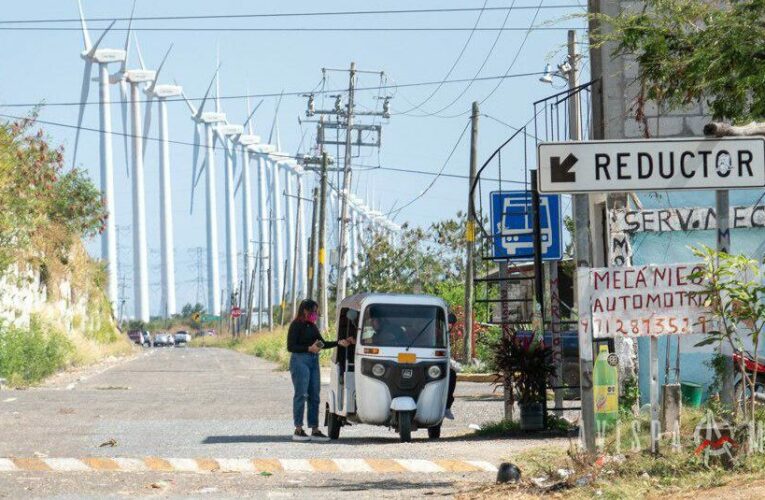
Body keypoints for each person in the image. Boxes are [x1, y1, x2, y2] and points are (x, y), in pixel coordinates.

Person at [287, 299, 354, 442]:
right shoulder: (296, 325)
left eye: (317, 312)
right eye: (314, 311)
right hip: (300, 360)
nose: (316, 314)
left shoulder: (312, 326)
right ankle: (298, 429)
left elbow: (322, 343)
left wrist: (339, 342)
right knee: (301, 394)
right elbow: (291, 346)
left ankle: (315, 429)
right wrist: (308, 348)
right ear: (305, 311)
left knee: (314, 395)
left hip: (313, 360)